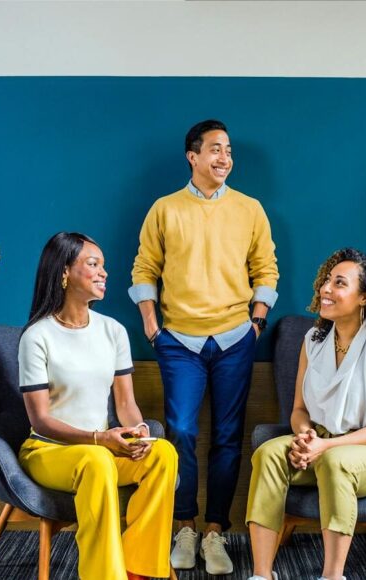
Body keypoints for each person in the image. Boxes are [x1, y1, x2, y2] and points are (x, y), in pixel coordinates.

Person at [129, 119, 280, 574]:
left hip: (236, 338)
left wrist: (256, 322)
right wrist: (153, 326)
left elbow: (266, 268)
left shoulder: (250, 208)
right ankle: (184, 526)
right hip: (178, 340)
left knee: (229, 438)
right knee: (181, 433)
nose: (224, 158)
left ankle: (215, 531)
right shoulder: (164, 209)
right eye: (215, 149)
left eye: (229, 150)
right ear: (192, 156)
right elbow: (144, 268)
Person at [245, 248, 366, 580]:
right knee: (268, 454)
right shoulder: (312, 340)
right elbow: (299, 410)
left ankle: (332, 576)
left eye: (339, 283)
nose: (326, 289)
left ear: (365, 296)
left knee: (335, 461)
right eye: (327, 280)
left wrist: (324, 448)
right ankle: (261, 574)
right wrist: (305, 436)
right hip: (321, 443)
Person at [18, 232, 179, 580]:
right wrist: (99, 439)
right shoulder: (37, 337)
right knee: (97, 461)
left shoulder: (114, 331)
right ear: (64, 272)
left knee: (163, 454)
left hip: (101, 449)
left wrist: (138, 432)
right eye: (93, 265)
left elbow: (126, 403)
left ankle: (137, 569)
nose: (104, 273)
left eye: (103, 266)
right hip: (50, 451)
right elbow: (41, 420)